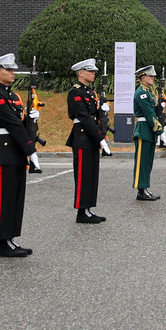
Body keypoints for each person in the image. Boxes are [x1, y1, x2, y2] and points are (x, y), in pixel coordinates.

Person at [0, 53, 40, 257]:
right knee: (4, 198)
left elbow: (21, 123)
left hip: (14, 151)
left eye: (13, 69)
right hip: (3, 151)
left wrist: (32, 119)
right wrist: (30, 149)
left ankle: (11, 238)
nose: (12, 73)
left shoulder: (13, 96)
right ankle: (2, 242)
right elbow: (12, 124)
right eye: (8, 70)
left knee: (15, 197)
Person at [66, 58, 109, 224]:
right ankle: (81, 211)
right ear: (80, 73)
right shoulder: (75, 92)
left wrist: (102, 112)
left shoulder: (91, 93)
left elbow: (94, 116)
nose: (94, 73)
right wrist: (100, 138)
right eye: (90, 71)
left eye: (94, 71)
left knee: (92, 175)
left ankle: (89, 208)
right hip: (82, 136)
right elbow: (83, 116)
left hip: (91, 136)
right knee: (83, 175)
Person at [132, 66, 162, 201]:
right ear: (143, 78)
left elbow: (154, 111)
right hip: (144, 128)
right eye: (150, 76)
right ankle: (140, 189)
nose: (153, 78)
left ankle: (145, 187)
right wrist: (160, 129)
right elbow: (149, 113)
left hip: (149, 128)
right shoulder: (141, 93)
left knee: (148, 160)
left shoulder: (149, 92)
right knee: (142, 161)